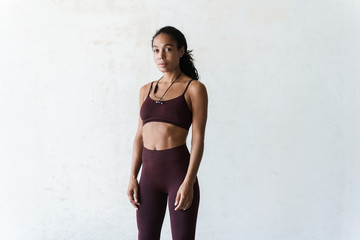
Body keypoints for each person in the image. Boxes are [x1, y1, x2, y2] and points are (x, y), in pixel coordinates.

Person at [127, 26, 208, 240]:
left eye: (168, 49)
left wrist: (189, 181)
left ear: (181, 51)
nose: (160, 56)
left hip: (178, 174)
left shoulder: (194, 89)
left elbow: (198, 138)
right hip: (148, 177)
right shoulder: (146, 90)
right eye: (155, 50)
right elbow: (139, 136)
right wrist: (133, 177)